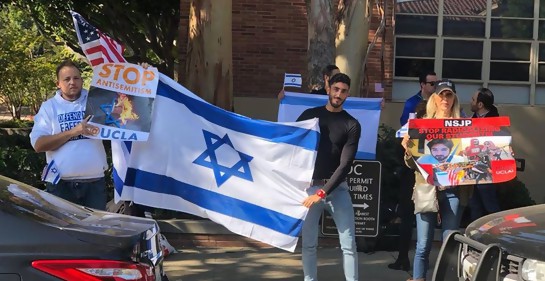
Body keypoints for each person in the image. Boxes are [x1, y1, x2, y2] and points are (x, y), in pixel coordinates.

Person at [297, 73, 361, 281]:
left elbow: (345, 165)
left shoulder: (351, 124)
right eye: (336, 89)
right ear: (328, 89)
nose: (339, 94)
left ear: (348, 94)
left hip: (337, 190)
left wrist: (323, 192)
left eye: (343, 91)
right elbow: (289, 143)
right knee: (308, 244)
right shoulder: (309, 115)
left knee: (349, 245)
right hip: (309, 188)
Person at [401, 79, 466, 281]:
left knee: (449, 244)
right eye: (441, 95)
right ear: (434, 98)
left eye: (449, 95)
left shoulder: (464, 125)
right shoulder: (421, 124)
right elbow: (411, 164)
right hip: (426, 189)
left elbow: (475, 157)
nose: (445, 99)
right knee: (422, 245)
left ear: (454, 98)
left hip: (453, 189)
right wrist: (408, 150)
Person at [30, 59, 108, 210]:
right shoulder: (49, 107)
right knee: (63, 233)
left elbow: (129, 106)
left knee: (95, 231)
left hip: (95, 184)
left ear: (82, 80)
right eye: (67, 79)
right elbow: (39, 145)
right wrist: (74, 131)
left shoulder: (96, 100)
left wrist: (142, 76)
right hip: (61, 185)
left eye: (76, 78)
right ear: (58, 83)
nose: (72, 82)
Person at [388, 70, 437, 272]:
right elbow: (405, 133)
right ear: (422, 85)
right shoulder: (411, 103)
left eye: (437, 83)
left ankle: (421, 263)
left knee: (430, 216)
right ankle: (403, 257)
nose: (435, 87)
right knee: (408, 212)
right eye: (431, 84)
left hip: (435, 168)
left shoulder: (440, 103)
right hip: (414, 167)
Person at [468, 88, 501, 221]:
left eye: (473, 100)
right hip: (473, 170)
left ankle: (498, 233)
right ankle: (475, 239)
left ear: (480, 105)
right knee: (475, 206)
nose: (471, 102)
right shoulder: (472, 119)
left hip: (488, 171)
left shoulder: (495, 122)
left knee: (490, 206)